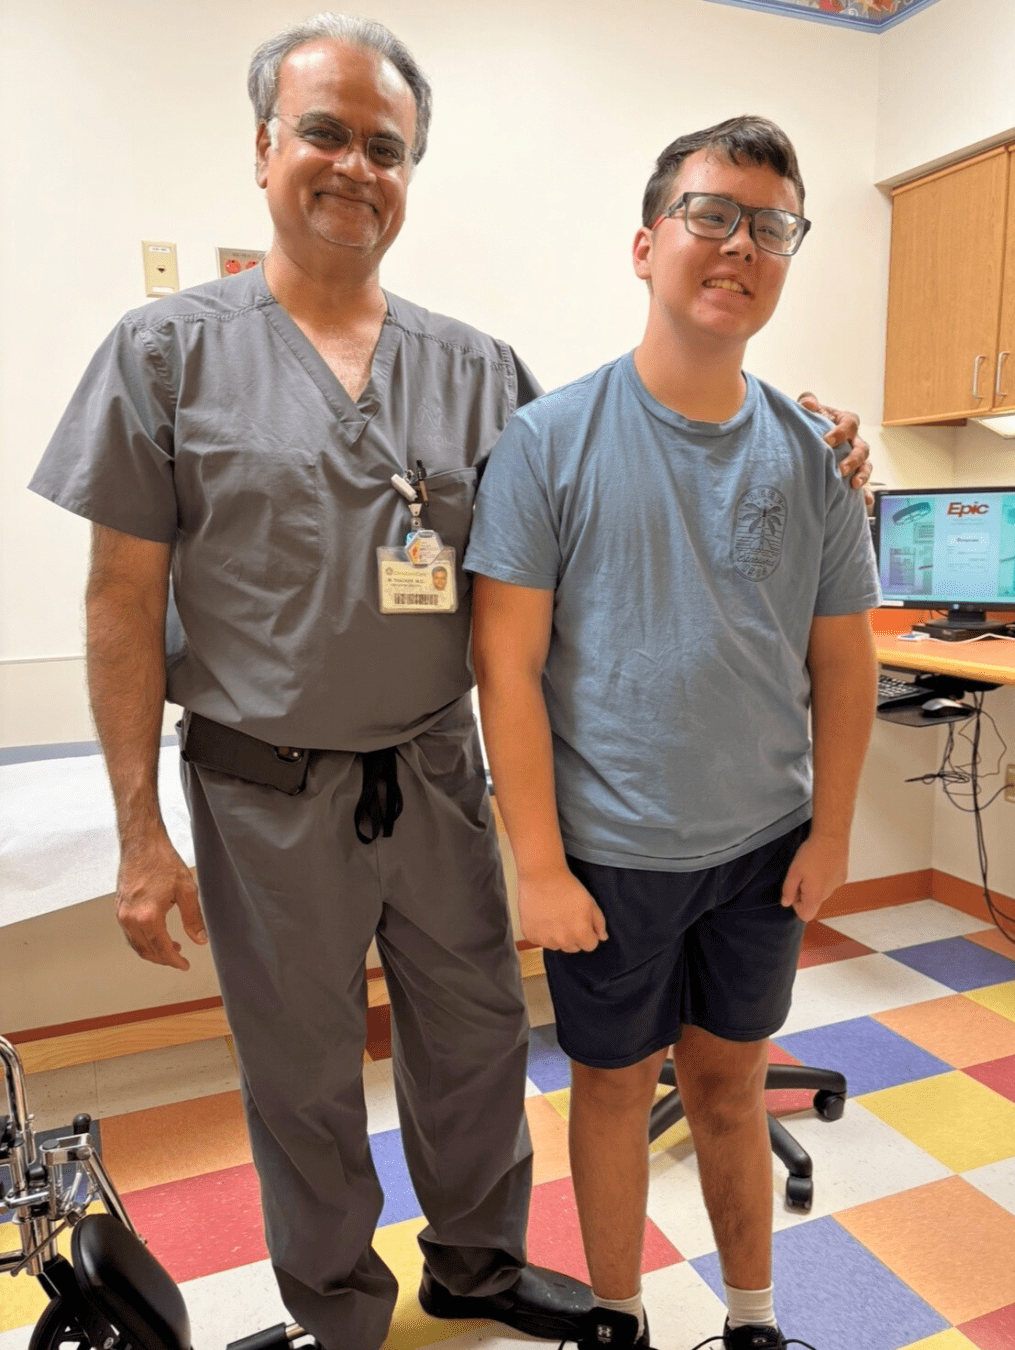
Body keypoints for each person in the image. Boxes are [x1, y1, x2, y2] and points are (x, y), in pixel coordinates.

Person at [27, 13, 871, 1349]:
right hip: (264, 784)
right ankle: (340, 1307)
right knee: (304, 1079)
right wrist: (140, 830)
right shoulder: (165, 354)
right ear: (264, 149)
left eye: (386, 146)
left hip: (433, 771)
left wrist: (818, 474)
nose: (354, 166)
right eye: (325, 133)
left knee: (477, 1041)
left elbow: (603, 526)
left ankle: (476, 1262)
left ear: (411, 171)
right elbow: (121, 605)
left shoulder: (481, 374)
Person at [466, 116, 881, 1350]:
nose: (739, 245)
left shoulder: (815, 457)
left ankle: (751, 1321)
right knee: (606, 1089)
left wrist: (836, 832)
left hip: (764, 847)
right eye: (711, 215)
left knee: (731, 1082)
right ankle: (615, 1315)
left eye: (770, 226)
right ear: (646, 246)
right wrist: (537, 865)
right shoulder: (550, 442)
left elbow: (843, 658)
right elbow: (507, 666)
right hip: (610, 856)